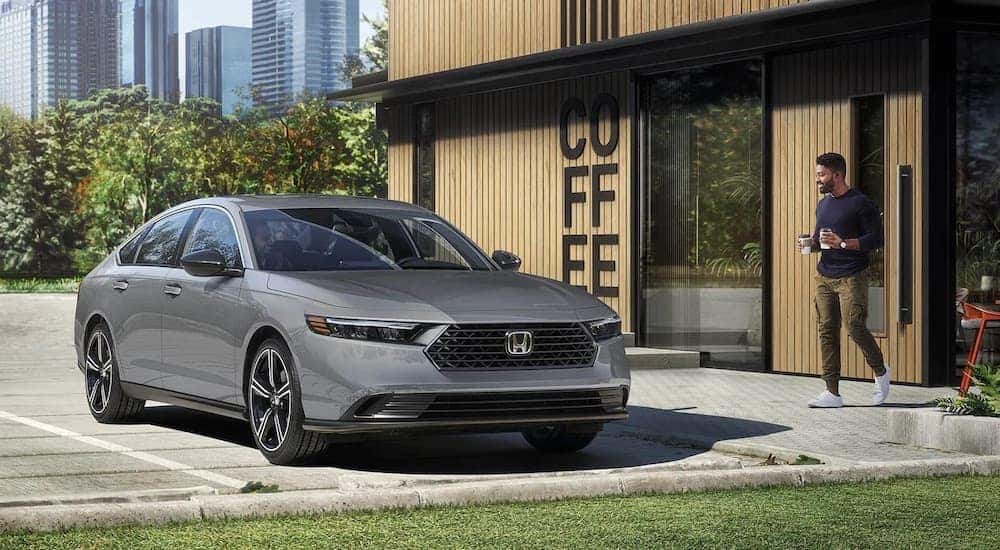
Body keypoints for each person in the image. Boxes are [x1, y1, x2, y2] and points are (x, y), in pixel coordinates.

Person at [797, 152, 891, 408]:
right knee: (826, 330)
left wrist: (843, 242)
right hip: (825, 275)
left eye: (822, 174)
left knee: (854, 327)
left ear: (837, 175)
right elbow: (822, 240)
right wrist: (811, 244)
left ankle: (881, 372)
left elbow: (876, 239)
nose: (818, 179)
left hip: (852, 275)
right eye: (817, 174)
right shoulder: (823, 204)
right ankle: (832, 392)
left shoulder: (861, 203)